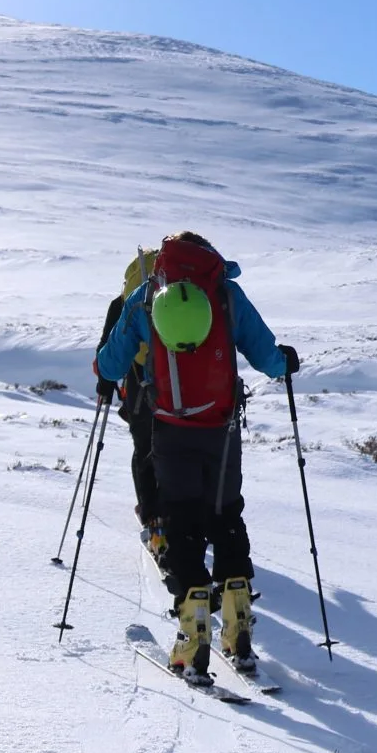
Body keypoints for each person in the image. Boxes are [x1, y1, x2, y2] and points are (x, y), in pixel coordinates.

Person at [96, 231, 299, 683]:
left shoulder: (147, 296)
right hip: (222, 429)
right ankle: (237, 624)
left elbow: (111, 365)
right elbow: (266, 354)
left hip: (171, 427)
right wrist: (284, 362)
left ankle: (193, 637)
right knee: (226, 515)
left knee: (182, 521)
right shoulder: (225, 293)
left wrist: (104, 368)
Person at [96, 246, 164, 562]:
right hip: (186, 383)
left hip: (141, 382)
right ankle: (185, 516)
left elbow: (109, 347)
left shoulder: (126, 299)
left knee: (145, 448)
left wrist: (105, 384)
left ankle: (153, 520)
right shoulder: (186, 290)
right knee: (183, 448)